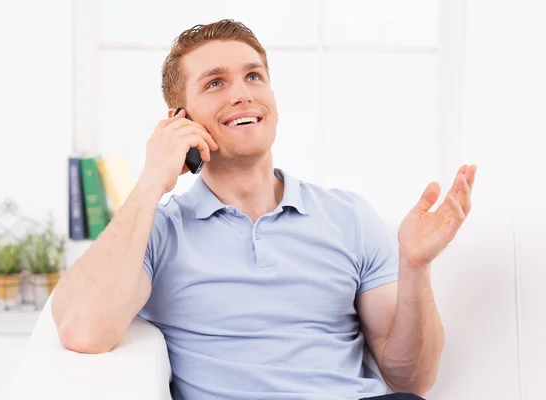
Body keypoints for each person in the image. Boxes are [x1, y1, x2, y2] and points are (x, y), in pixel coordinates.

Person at [52, 19, 477, 400]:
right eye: (215, 83)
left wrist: (415, 267)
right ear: (180, 119)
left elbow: (412, 381)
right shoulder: (159, 231)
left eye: (253, 76)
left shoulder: (349, 218)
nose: (242, 94)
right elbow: (83, 329)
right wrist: (151, 183)